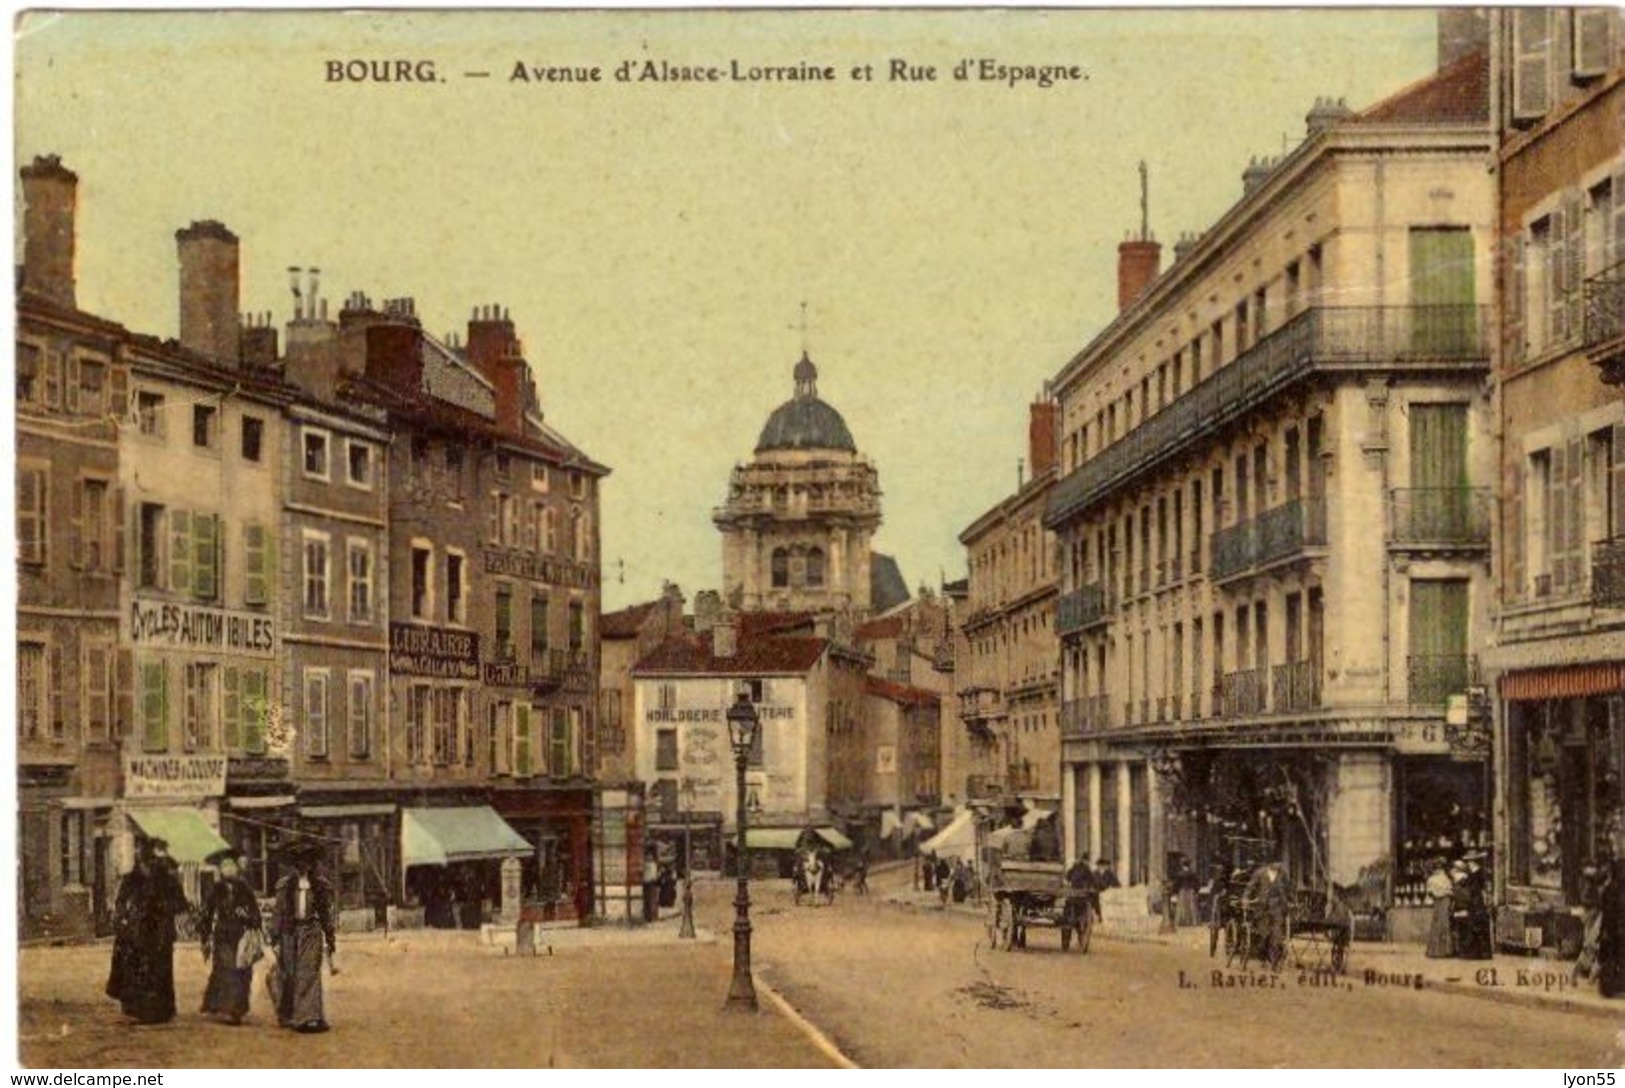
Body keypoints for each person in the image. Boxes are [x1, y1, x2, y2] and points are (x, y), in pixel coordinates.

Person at [105, 837, 191, 1025]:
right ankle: (135, 1008)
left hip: (159, 932)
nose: (139, 856)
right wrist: (124, 916)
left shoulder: (166, 879)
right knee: (134, 969)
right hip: (136, 932)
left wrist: (162, 907)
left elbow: (180, 904)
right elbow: (120, 902)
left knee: (158, 969)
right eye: (137, 851)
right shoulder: (131, 878)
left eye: (142, 852)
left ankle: (158, 1011)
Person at [270, 837, 338, 1033]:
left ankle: (309, 1018)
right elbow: (278, 912)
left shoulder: (320, 886)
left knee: (308, 974)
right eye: (299, 861)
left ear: (311, 863)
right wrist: (275, 938)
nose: (303, 865)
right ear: (294, 864)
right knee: (289, 974)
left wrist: (330, 937)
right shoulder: (284, 886)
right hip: (289, 933)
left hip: (311, 932)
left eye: (307, 860)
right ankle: (290, 1014)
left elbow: (325, 913)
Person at [198, 850, 264, 1025]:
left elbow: (256, 917)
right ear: (220, 870)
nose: (228, 869)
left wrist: (246, 916)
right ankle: (228, 1008)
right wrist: (204, 937)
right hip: (223, 935)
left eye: (231, 865)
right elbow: (206, 914)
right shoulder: (216, 889)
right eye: (224, 866)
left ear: (237, 868)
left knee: (241, 972)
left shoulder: (245, 889)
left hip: (241, 936)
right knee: (226, 970)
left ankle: (237, 1010)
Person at [1452, 854, 1494, 960]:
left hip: (1476, 902)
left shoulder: (1477, 873)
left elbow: (1475, 888)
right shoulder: (1475, 873)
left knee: (1477, 927)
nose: (1468, 864)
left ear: (1473, 862)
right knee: (1475, 927)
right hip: (1475, 902)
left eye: (1469, 862)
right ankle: (1478, 953)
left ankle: (1477, 953)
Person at [1424, 859, 1456, 959]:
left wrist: (1438, 894)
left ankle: (1435, 950)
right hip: (1444, 901)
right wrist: (1445, 893)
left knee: (1438, 924)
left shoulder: (1431, 879)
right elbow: (1451, 891)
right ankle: (1445, 950)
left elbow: (1430, 893)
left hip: (1439, 902)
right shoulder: (1446, 878)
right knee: (1444, 924)